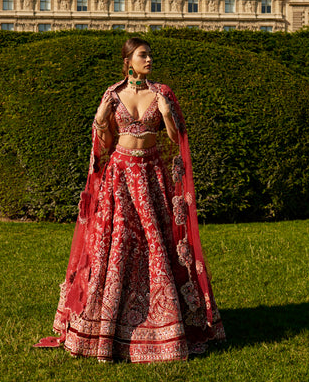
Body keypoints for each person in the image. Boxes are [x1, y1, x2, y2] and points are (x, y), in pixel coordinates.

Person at [35, 37, 225, 362]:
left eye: (150, 55)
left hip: (151, 176)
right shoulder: (112, 95)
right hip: (120, 177)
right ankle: (108, 329)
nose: (149, 59)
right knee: (118, 247)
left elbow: (177, 140)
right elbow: (105, 143)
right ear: (128, 61)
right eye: (142, 55)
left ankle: (164, 325)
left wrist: (166, 113)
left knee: (156, 247)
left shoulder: (162, 93)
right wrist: (99, 117)